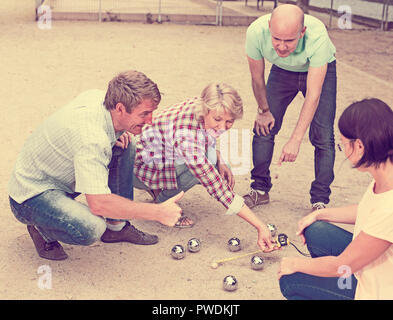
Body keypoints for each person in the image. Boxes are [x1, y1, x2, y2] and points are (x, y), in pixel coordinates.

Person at [8, 70, 183, 261]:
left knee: (126, 143)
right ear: (120, 108)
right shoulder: (92, 140)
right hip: (30, 196)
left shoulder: (100, 98)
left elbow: (94, 133)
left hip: (58, 175)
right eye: (145, 114)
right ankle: (41, 229)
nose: (150, 120)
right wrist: (157, 212)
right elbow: (98, 204)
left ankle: (117, 227)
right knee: (91, 228)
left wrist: (118, 130)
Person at [133, 83, 276, 252]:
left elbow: (205, 137)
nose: (223, 127)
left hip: (159, 157)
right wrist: (260, 226)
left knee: (215, 160)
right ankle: (163, 201)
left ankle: (159, 188)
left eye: (229, 121)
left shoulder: (200, 105)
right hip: (141, 170)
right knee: (207, 165)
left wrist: (220, 158)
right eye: (218, 120)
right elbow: (220, 190)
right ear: (206, 110)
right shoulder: (187, 137)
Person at [278, 98, 393, 300]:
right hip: (365, 266)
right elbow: (368, 210)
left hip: (375, 290)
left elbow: (345, 264)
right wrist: (319, 213)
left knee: (291, 279)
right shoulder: (385, 173)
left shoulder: (389, 207)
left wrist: (294, 263)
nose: (343, 152)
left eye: (342, 145)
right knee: (316, 229)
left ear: (359, 146)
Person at [244, 4, 337, 212]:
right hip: (282, 71)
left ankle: (319, 201)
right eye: (276, 39)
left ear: (302, 32)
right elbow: (257, 78)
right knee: (263, 128)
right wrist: (263, 110)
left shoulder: (318, 35)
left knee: (323, 135)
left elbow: (313, 96)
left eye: (289, 40)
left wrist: (295, 139)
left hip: (320, 69)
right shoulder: (255, 32)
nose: (282, 47)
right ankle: (259, 189)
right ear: (269, 27)